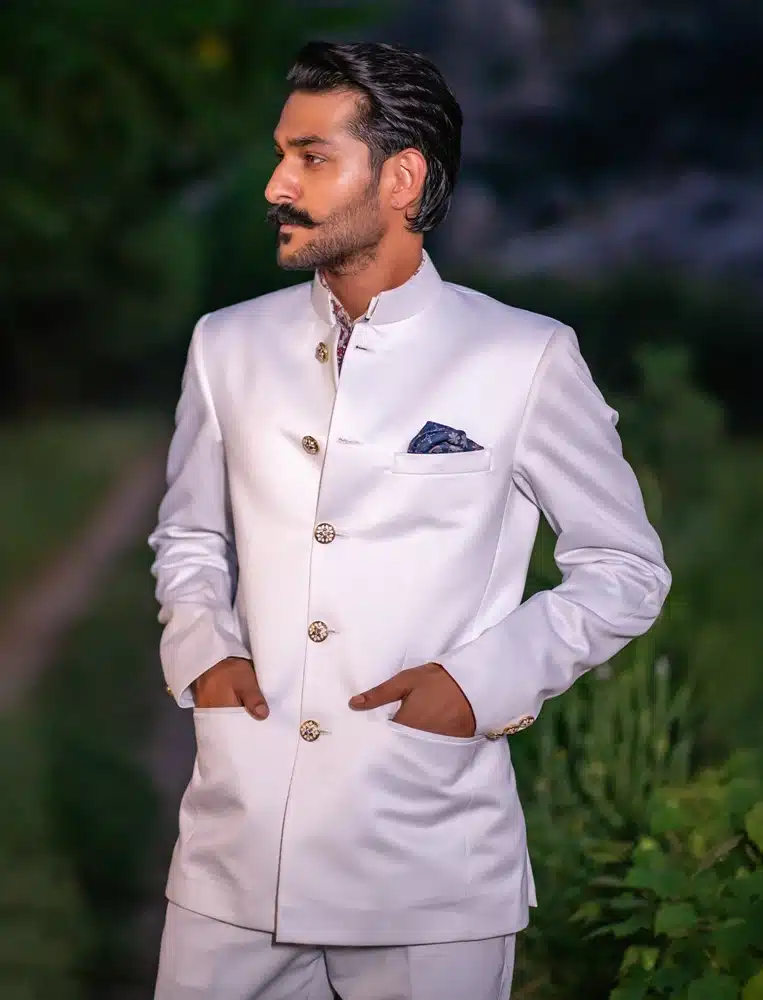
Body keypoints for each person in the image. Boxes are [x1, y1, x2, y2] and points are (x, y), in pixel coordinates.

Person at [148, 40, 671, 1000]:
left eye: (312, 157)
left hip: (428, 861)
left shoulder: (523, 356)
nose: (276, 185)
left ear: (401, 179)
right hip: (237, 853)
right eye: (281, 154)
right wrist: (205, 654)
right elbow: (189, 535)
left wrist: (477, 688)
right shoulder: (228, 344)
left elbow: (625, 568)